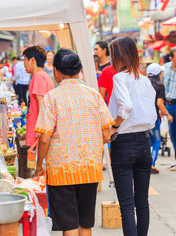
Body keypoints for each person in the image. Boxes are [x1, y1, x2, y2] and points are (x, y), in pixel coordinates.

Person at [34, 49, 113, 236]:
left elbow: (44, 138)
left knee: (68, 224)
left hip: (61, 169)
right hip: (89, 167)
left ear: (57, 72)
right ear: (79, 70)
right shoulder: (93, 95)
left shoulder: (52, 97)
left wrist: (39, 165)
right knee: (85, 223)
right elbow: (107, 134)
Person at [108, 37, 156, 236]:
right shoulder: (144, 80)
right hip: (144, 142)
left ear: (119, 56)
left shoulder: (119, 78)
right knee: (142, 203)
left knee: (127, 205)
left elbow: (126, 106)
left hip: (124, 142)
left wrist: (114, 126)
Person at [23, 46, 54, 147]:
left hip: (36, 132)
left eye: (25, 59)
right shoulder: (45, 76)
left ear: (32, 60)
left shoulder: (38, 76)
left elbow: (42, 103)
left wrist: (41, 127)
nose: (24, 63)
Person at [147, 63, 173, 174]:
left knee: (147, 141)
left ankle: (145, 163)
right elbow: (159, 103)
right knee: (157, 141)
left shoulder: (144, 84)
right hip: (154, 118)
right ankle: (151, 164)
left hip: (144, 117)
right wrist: (167, 114)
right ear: (158, 74)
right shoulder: (160, 86)